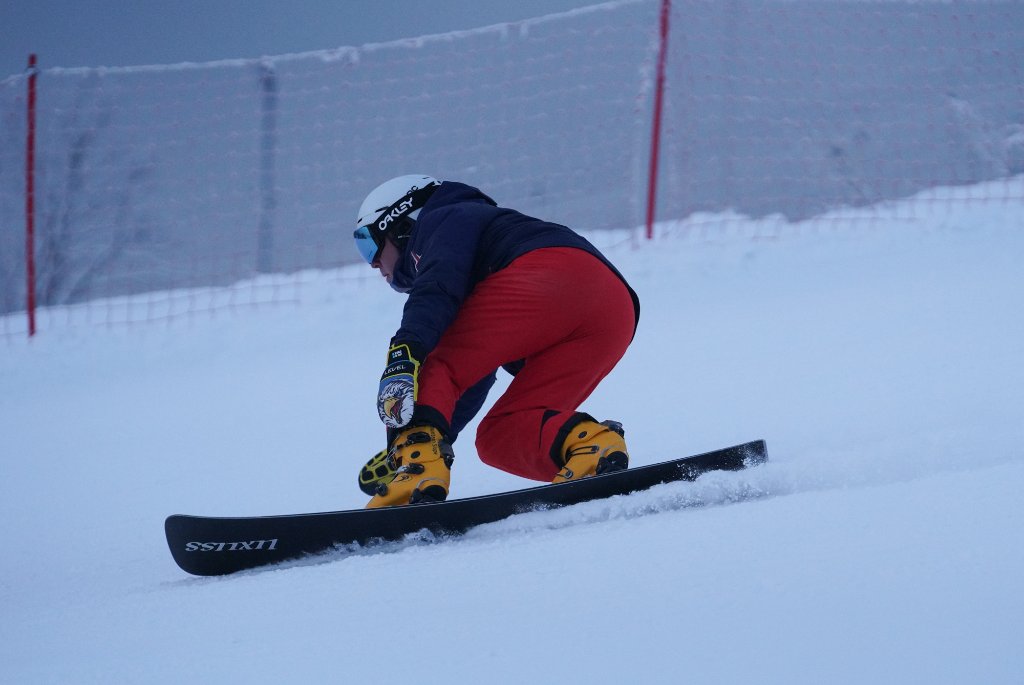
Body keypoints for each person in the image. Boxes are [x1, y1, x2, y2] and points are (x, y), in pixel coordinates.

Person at [353, 175, 640, 509]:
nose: (373, 263)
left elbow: (435, 290)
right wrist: (419, 435)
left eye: (369, 244)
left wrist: (405, 353)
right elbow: (468, 376)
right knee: (501, 435)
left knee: (430, 358)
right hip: (612, 313)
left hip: (551, 275)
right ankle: (590, 448)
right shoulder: (470, 231)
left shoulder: (442, 219)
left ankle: (418, 472)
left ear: (401, 225)